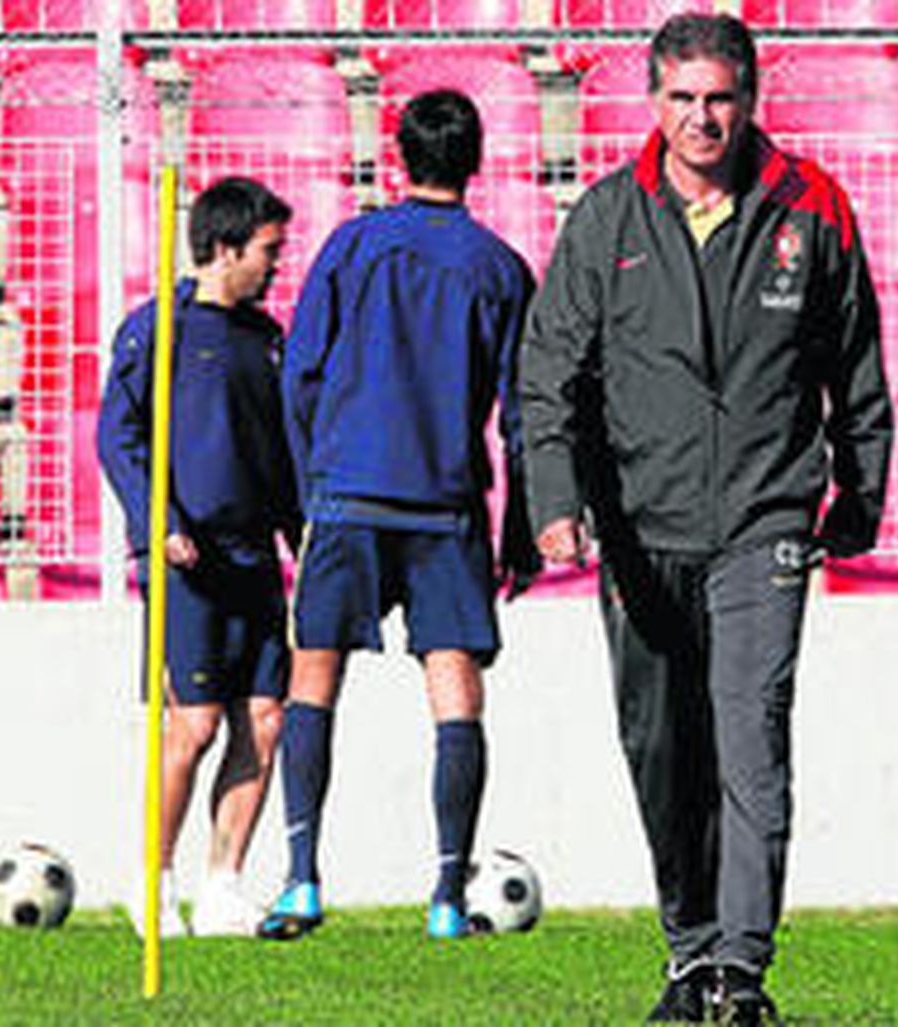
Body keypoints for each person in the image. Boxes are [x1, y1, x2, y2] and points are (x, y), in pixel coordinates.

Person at [520, 13, 891, 1023]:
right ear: (654, 102)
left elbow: (856, 362)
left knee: (751, 734)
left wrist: (860, 491)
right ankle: (689, 951)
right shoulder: (607, 217)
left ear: (750, 98)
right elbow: (549, 375)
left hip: (766, 520)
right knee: (662, 746)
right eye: (682, 99)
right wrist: (554, 500)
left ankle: (741, 968)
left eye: (719, 98)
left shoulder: (813, 206)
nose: (702, 118)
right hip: (640, 530)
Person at [258, 89, 537, 941]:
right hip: (446, 505)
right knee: (455, 689)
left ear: (397, 158)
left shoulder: (352, 246)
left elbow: (300, 374)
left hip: (347, 493)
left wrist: (308, 489)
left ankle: (302, 880)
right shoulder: (500, 268)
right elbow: (523, 412)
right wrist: (520, 525)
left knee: (314, 676)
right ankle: (448, 897)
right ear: (477, 161)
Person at [98, 176, 298, 937]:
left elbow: (278, 452)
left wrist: (300, 536)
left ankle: (223, 886)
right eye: (267, 250)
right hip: (188, 561)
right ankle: (152, 880)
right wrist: (160, 523)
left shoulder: (265, 337)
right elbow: (117, 437)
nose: (276, 264)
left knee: (266, 720)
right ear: (224, 247)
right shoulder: (159, 328)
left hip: (255, 558)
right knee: (196, 724)